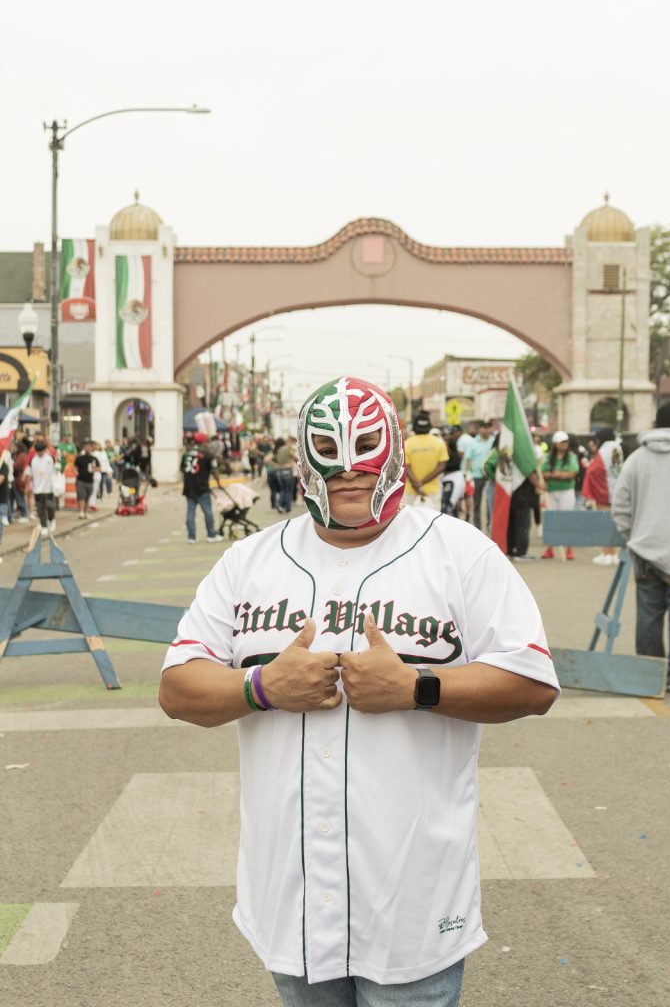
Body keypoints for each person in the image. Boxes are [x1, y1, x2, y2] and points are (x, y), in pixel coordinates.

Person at [159, 375, 559, 1007]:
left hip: (412, 903)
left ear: (395, 450)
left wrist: (418, 688)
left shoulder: (459, 553)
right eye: (330, 455)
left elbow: (533, 682)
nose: (349, 471)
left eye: (366, 449)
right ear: (303, 459)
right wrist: (261, 685)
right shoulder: (250, 562)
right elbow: (178, 687)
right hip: (289, 897)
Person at [612, 401, 670, 692]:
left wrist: (632, 536)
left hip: (644, 551)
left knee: (648, 613)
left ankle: (650, 673)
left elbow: (621, 506)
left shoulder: (637, 459)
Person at [582, 427, 623, 565]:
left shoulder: (604, 450)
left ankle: (606, 553)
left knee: (604, 525)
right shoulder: (618, 448)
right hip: (617, 491)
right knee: (615, 525)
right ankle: (614, 554)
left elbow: (594, 469)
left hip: (604, 492)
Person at [540, 431, 580, 561]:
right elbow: (543, 472)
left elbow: (572, 473)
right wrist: (556, 475)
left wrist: (557, 474)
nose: (565, 445)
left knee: (566, 520)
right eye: (562, 442)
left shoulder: (571, 457)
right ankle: (550, 548)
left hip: (566, 492)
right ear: (556, 444)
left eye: (566, 442)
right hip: (551, 492)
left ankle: (569, 549)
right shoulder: (548, 457)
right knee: (552, 520)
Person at [180, 432, 223, 544]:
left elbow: (182, 469)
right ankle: (211, 535)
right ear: (203, 442)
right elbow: (214, 471)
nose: (208, 443)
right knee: (208, 511)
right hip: (202, 487)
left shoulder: (187, 454)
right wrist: (218, 483)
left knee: (190, 512)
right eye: (207, 441)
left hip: (189, 487)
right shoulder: (208, 455)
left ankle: (191, 537)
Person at [403, 411, 449, 510]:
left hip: (411, 491)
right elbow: (441, 467)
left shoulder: (406, 444)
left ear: (414, 426)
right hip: (432, 491)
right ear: (430, 426)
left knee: (410, 523)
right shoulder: (439, 443)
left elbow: (406, 466)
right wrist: (423, 482)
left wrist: (417, 484)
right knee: (433, 522)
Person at [463, 420, 495, 531]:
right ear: (479, 429)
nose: (486, 430)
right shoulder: (473, 443)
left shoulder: (493, 441)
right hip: (477, 476)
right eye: (484, 427)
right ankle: (477, 527)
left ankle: (489, 527)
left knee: (490, 503)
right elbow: (468, 460)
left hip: (490, 476)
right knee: (476, 502)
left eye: (488, 427)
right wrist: (467, 474)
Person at [26, 438, 56, 536]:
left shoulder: (49, 459)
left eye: (41, 451)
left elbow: (54, 471)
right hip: (37, 488)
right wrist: (28, 485)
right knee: (40, 508)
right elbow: (29, 473)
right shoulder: (33, 460)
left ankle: (52, 519)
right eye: (37, 452)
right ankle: (43, 525)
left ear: (44, 450)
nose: (39, 453)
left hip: (48, 487)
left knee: (49, 506)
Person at [74, 439, 99, 519]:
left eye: (89, 447)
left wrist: (94, 469)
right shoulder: (79, 458)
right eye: (86, 447)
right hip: (81, 480)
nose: (88, 448)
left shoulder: (94, 459)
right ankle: (81, 512)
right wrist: (76, 471)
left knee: (87, 497)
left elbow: (99, 468)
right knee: (81, 496)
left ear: (92, 448)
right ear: (84, 448)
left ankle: (85, 511)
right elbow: (75, 467)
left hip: (90, 480)